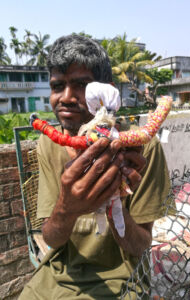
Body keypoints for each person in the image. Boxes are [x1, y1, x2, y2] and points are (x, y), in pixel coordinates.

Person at [19, 34, 172, 300]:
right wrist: (67, 208)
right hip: (54, 279)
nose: (65, 98)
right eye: (57, 86)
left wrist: (116, 206)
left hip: (120, 282)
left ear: (106, 91)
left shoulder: (142, 150)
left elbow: (141, 246)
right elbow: (52, 239)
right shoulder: (48, 145)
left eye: (81, 85)